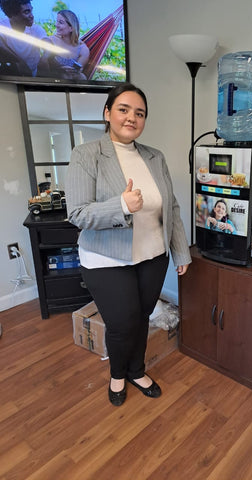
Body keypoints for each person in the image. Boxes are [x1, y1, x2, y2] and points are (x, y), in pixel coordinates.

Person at [65, 83, 191, 407]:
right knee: (122, 324)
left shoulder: (155, 156)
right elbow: (77, 213)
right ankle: (118, 374)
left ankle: (137, 369)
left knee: (142, 316)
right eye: (123, 109)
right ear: (107, 113)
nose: (131, 118)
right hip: (106, 259)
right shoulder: (86, 155)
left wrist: (180, 250)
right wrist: (120, 205)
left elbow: (171, 207)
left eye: (140, 113)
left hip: (152, 256)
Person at [38, 9, 89, 80]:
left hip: (72, 81)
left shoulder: (82, 49)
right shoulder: (51, 41)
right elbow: (43, 65)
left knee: (82, 77)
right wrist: (59, 69)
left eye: (60, 22)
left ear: (71, 28)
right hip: (52, 79)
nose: (56, 25)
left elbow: (79, 70)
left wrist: (73, 71)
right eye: (57, 21)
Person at [0, 0, 47, 76]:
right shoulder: (3, 26)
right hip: (11, 76)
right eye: (26, 12)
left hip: (33, 78)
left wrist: (44, 58)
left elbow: (48, 42)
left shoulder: (36, 29)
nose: (32, 16)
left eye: (31, 11)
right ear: (11, 15)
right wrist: (19, 61)